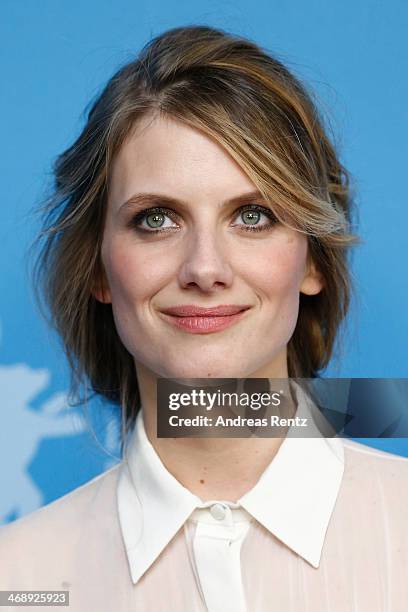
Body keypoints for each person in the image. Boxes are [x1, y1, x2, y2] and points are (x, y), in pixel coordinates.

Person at [1, 25, 407, 612]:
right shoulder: (20, 579)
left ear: (313, 258)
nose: (205, 268)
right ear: (97, 268)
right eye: (157, 219)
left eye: (253, 216)